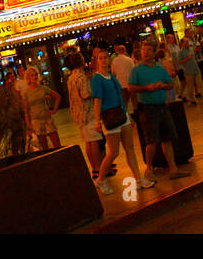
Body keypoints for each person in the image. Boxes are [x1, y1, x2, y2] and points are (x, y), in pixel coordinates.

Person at [127, 41, 192, 182]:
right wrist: (147, 88)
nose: (146, 52)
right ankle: (148, 169)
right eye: (144, 49)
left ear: (154, 52)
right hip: (148, 107)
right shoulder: (137, 70)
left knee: (167, 137)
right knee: (151, 140)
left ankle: (173, 168)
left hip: (162, 106)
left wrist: (162, 85)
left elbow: (170, 84)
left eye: (149, 50)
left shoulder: (160, 69)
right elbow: (131, 87)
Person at [91, 49, 148, 195]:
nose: (104, 60)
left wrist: (127, 114)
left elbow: (120, 97)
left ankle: (139, 178)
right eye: (101, 58)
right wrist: (97, 121)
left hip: (121, 115)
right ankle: (101, 179)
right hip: (109, 117)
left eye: (106, 58)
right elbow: (97, 100)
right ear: (97, 61)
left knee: (130, 148)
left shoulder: (111, 76)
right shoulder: (97, 79)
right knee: (114, 151)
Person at [64, 52, 101, 174]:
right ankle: (98, 168)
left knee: (88, 142)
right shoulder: (81, 77)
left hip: (78, 114)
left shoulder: (71, 78)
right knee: (94, 140)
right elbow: (85, 94)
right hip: (88, 112)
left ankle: (94, 168)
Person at [21, 66, 61, 150]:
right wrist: (29, 126)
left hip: (47, 119)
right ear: (28, 77)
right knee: (44, 147)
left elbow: (58, 97)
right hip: (36, 121)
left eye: (36, 75)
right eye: (32, 75)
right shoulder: (25, 92)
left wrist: (53, 110)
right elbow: (26, 111)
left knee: (57, 144)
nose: (34, 77)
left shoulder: (43, 88)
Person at [111, 42, 136, 114]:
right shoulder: (129, 60)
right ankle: (136, 115)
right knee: (134, 102)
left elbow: (113, 73)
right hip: (130, 83)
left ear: (118, 51)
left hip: (121, 84)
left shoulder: (114, 61)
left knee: (124, 103)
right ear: (124, 51)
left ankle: (126, 117)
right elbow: (133, 70)